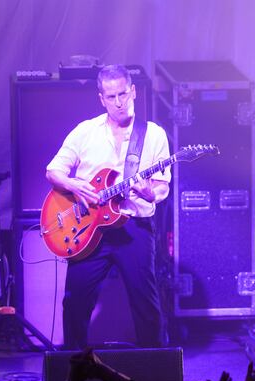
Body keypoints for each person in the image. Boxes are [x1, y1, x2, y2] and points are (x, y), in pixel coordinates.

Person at [46, 64, 170, 349]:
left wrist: (150, 193)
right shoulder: (85, 131)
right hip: (89, 230)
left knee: (146, 305)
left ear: (134, 91)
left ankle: (152, 371)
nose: (119, 102)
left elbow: (162, 186)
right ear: (101, 98)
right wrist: (76, 186)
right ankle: (74, 368)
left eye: (123, 94)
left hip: (134, 228)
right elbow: (53, 171)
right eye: (111, 96)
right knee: (74, 302)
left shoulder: (153, 135)